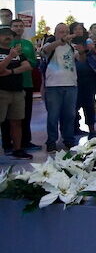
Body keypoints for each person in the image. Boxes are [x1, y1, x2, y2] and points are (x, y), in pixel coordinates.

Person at [40, 23, 79, 152]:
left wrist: (85, 49)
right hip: (53, 86)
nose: (64, 34)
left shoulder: (72, 47)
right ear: (56, 33)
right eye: (61, 32)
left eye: (66, 32)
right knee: (53, 115)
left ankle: (68, 139)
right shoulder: (49, 45)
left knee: (69, 115)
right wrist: (61, 41)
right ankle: (51, 142)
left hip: (71, 85)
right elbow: (45, 51)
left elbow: (81, 59)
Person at [1, 19, 38, 153]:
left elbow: (30, 64)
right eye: (15, 26)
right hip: (4, 88)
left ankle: (23, 144)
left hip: (23, 85)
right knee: (4, 120)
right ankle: (6, 144)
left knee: (22, 117)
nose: (18, 28)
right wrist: (12, 59)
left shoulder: (26, 44)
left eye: (21, 26)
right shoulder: (8, 47)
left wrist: (12, 69)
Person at [73, 36, 96, 138]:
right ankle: (75, 128)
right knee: (74, 108)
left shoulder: (92, 55)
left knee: (89, 107)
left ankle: (92, 130)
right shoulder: (71, 54)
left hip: (89, 84)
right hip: (75, 84)